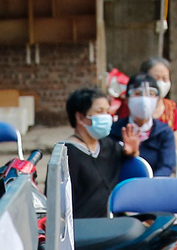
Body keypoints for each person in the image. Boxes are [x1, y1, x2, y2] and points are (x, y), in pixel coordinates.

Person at [57, 85, 140, 217]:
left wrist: (132, 152)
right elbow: (58, 204)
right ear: (80, 118)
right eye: (100, 111)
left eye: (108, 111)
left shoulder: (110, 145)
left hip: (115, 220)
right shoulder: (65, 154)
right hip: (84, 226)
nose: (107, 117)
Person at [123, 74, 177, 178]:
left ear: (157, 99)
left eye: (151, 94)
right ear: (127, 99)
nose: (144, 100)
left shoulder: (164, 132)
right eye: (138, 93)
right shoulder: (115, 131)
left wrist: (151, 184)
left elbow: (167, 166)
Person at [139, 56, 177, 135]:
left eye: (165, 79)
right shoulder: (134, 105)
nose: (161, 83)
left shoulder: (171, 107)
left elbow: (176, 141)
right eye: (156, 78)